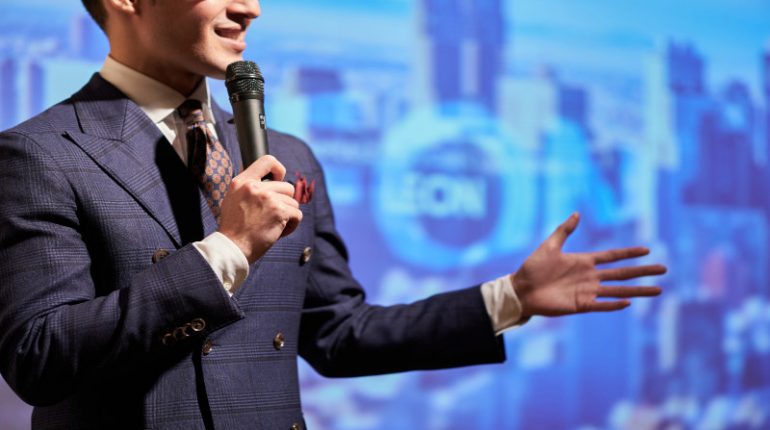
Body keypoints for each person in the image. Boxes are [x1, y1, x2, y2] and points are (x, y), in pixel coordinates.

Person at [0, 1, 666, 429]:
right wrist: (227, 250)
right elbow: (39, 357)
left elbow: (340, 335)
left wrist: (509, 298)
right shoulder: (40, 154)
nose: (250, 7)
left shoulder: (288, 155)